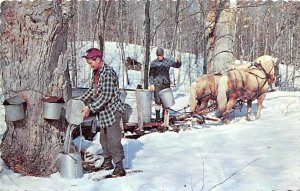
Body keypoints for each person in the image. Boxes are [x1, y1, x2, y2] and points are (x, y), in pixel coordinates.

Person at [79, 48, 126, 177]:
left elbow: (105, 96)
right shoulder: (97, 73)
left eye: (90, 63)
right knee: (103, 139)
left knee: (113, 140)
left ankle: (119, 166)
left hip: (112, 111)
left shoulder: (108, 73)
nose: (89, 66)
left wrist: (90, 108)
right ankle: (107, 162)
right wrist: (80, 101)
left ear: (98, 59)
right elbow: (93, 91)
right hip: (104, 113)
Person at [149, 48, 181, 121]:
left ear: (163, 55)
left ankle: (164, 117)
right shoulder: (153, 63)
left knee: (165, 101)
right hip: (157, 84)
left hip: (166, 83)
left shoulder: (167, 61)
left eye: (161, 55)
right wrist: (151, 84)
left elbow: (177, 65)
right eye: (158, 55)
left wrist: (178, 61)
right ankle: (157, 117)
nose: (159, 57)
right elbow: (151, 74)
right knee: (157, 101)